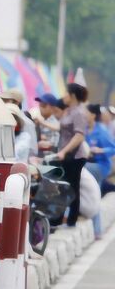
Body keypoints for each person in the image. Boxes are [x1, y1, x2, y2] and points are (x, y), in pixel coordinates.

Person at [52, 83, 89, 227]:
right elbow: (64, 131)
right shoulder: (69, 111)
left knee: (71, 187)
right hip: (65, 155)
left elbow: (79, 135)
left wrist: (64, 151)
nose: (64, 96)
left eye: (66, 93)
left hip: (75, 156)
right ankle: (58, 218)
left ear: (72, 95)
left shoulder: (79, 112)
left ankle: (70, 219)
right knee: (63, 185)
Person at [0, 89, 38, 156]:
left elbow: (33, 149)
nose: (3, 103)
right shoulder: (0, 120)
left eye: (6, 101)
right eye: (2, 100)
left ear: (17, 102)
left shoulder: (27, 123)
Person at [85, 104, 115, 188]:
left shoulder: (102, 131)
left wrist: (100, 150)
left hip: (101, 164)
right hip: (89, 161)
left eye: (86, 113)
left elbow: (113, 149)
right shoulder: (85, 129)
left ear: (93, 115)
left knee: (81, 168)